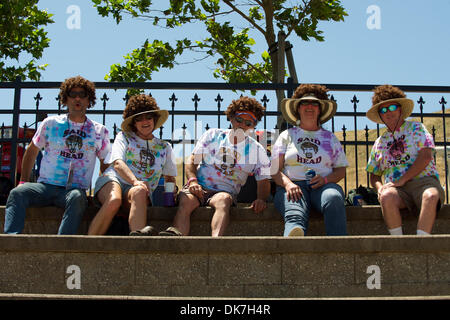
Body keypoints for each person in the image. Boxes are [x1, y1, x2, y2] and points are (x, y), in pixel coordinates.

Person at [4, 76, 111, 235]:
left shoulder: (99, 131)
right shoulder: (50, 123)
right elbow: (32, 151)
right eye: (72, 94)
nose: (77, 98)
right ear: (65, 99)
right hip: (45, 186)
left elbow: (105, 164)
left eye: (82, 94)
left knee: (77, 198)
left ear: (89, 100)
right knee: (17, 193)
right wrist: (23, 181)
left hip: (74, 189)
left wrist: (96, 193)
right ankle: (11, 240)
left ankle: (62, 243)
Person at [159, 96, 271, 237]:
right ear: (231, 118)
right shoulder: (213, 135)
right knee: (186, 202)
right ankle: (175, 238)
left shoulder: (257, 149)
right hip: (199, 187)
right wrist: (192, 181)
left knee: (223, 201)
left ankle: (215, 242)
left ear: (254, 126)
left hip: (225, 192)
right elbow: (192, 161)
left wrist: (261, 198)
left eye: (249, 123)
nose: (243, 125)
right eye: (239, 120)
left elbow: (263, 180)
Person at [88, 94, 177, 236]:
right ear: (133, 123)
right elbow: (117, 163)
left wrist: (172, 191)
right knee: (114, 200)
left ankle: (137, 239)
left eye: (148, 117)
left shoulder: (164, 147)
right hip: (114, 180)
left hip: (138, 190)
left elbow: (170, 178)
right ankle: (88, 243)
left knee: (139, 192)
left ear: (154, 119)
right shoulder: (124, 136)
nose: (145, 121)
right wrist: (135, 181)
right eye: (139, 119)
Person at [366, 85, 444, 235]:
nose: (388, 112)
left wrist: (402, 179)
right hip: (397, 190)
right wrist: (379, 188)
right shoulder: (379, 142)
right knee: (387, 196)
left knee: (431, 195)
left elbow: (426, 156)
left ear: (400, 109)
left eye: (392, 107)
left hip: (424, 182)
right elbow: (374, 174)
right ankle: (398, 243)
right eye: (383, 110)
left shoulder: (416, 128)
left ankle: (421, 243)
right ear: (380, 116)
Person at [271, 84, 349, 236]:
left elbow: (341, 170)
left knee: (333, 198)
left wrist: (325, 181)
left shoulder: (330, 138)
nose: (309, 107)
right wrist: (288, 184)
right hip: (293, 186)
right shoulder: (286, 135)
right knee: (295, 213)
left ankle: (339, 246)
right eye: (304, 103)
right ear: (297, 109)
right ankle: (293, 242)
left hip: (323, 186)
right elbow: (274, 170)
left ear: (320, 110)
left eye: (314, 104)